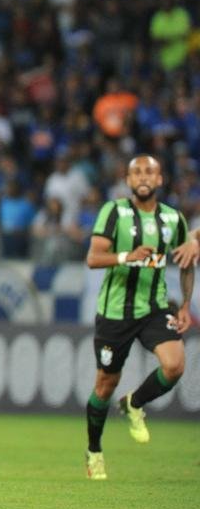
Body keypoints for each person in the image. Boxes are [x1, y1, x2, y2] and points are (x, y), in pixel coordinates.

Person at [82, 154, 193, 481]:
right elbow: (92, 257)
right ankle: (94, 451)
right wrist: (126, 256)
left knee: (174, 365)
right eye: (137, 172)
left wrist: (185, 305)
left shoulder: (173, 219)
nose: (143, 177)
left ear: (160, 180)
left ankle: (134, 403)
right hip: (114, 313)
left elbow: (187, 261)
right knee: (105, 385)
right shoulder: (113, 212)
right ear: (128, 181)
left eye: (150, 172)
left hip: (154, 309)